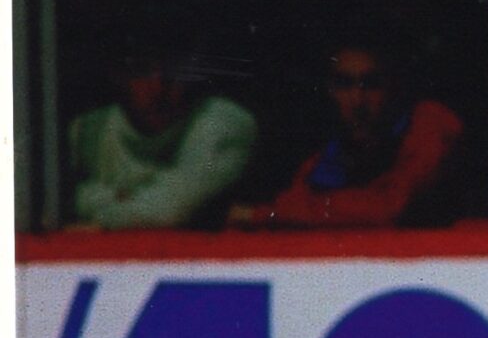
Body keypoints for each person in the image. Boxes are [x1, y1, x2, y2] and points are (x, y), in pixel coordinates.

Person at [230, 29, 464, 229]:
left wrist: (263, 215)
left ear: (394, 88)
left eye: (371, 84)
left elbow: (387, 206)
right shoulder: (330, 148)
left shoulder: (430, 120)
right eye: (344, 84)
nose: (357, 100)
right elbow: (297, 208)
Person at [67, 26, 258, 229]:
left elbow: (167, 211)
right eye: (142, 69)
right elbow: (63, 202)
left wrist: (101, 215)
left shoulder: (223, 121)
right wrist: (135, 199)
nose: (158, 86)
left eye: (172, 69)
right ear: (119, 74)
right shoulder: (89, 128)